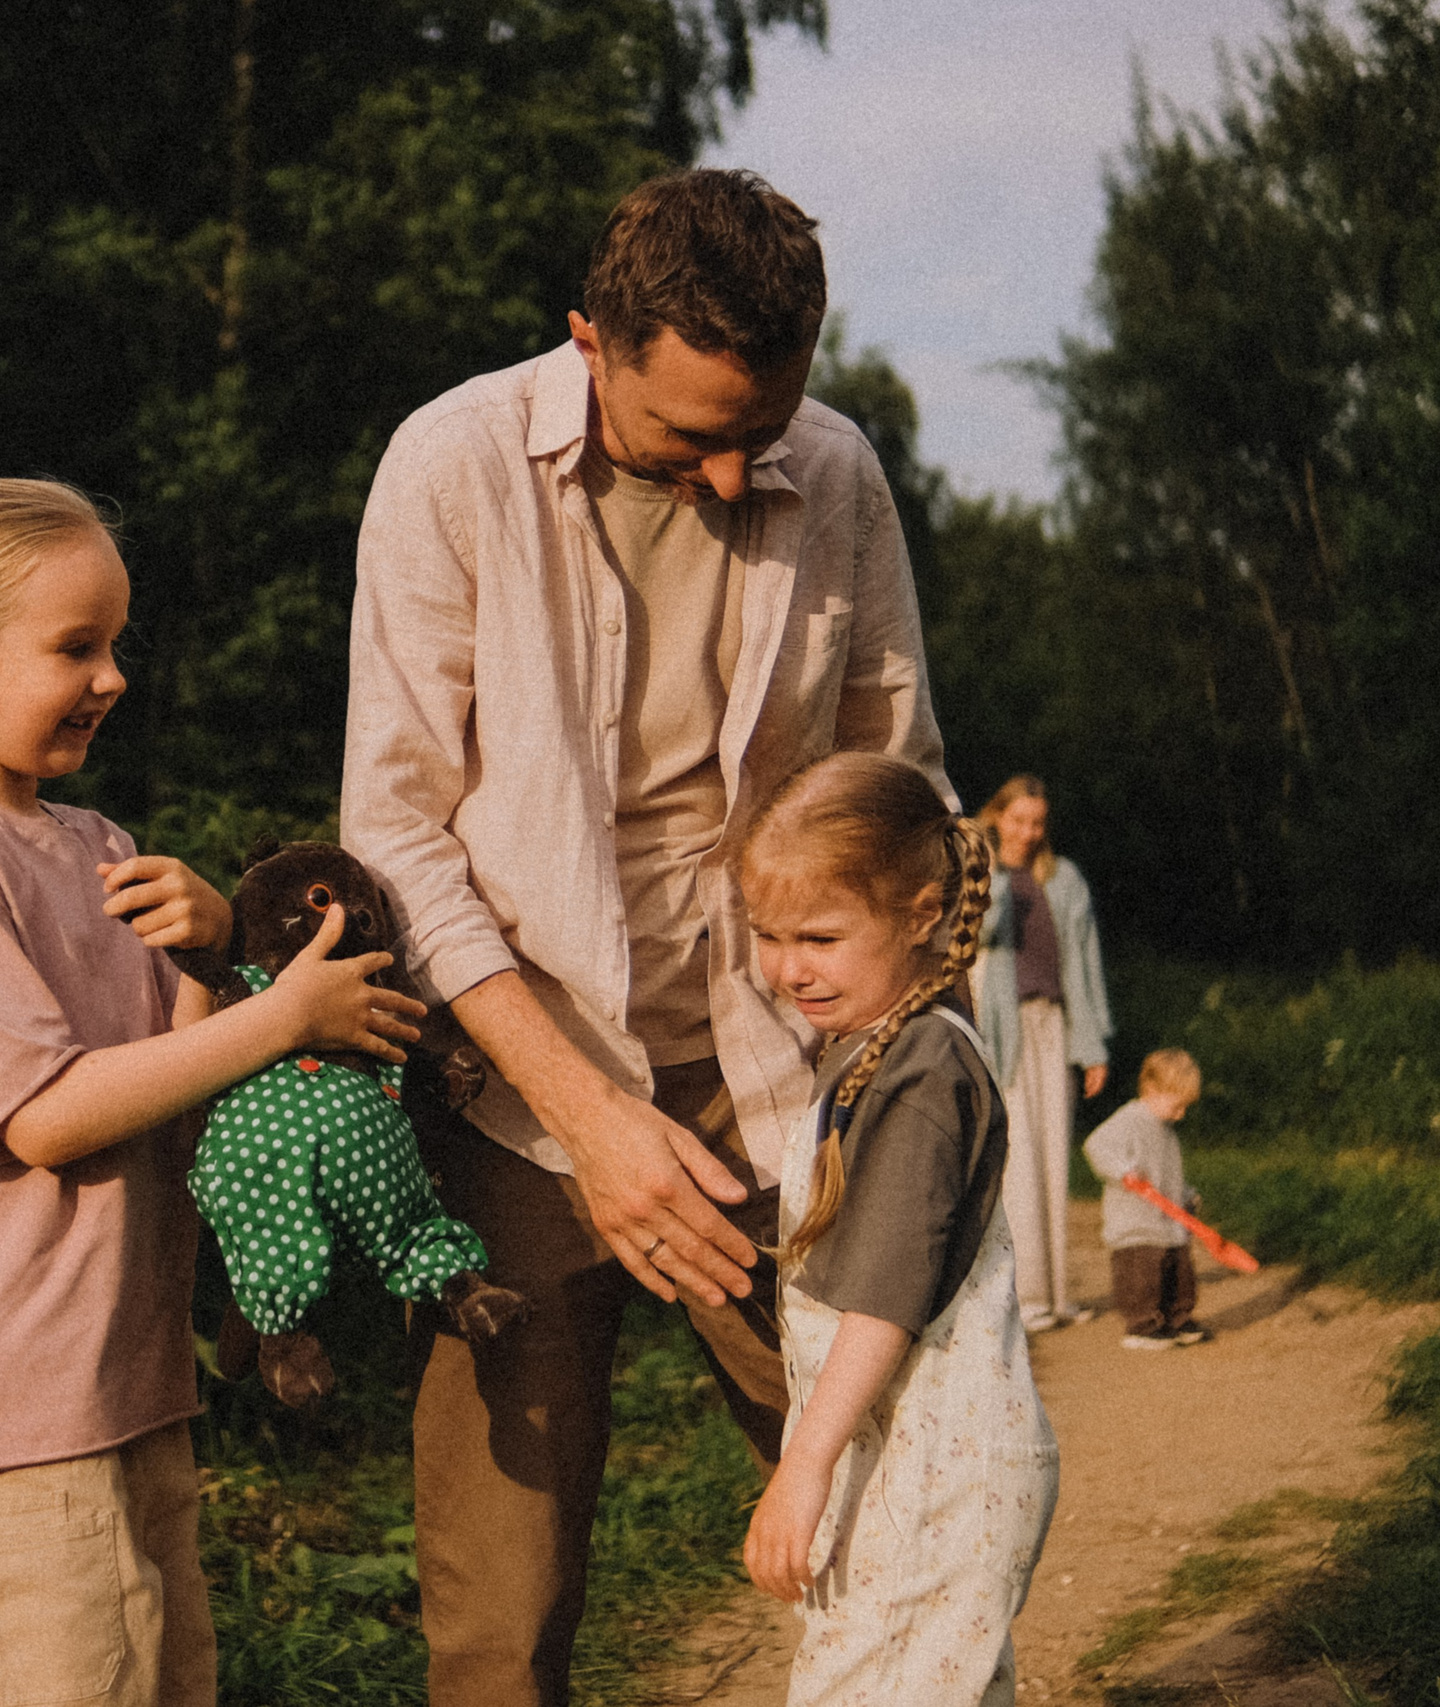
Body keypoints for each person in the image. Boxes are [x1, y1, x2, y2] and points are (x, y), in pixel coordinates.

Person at [343, 167, 953, 1704]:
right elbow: (395, 832)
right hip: (520, 1086)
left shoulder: (841, 472)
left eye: (769, 428)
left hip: (780, 1078)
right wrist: (587, 1116)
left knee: (890, 1509)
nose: (743, 477)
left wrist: (913, 1071)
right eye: (693, 437)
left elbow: (906, 794)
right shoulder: (450, 464)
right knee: (502, 1606)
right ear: (589, 343)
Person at [0, 477, 425, 1707]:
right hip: (10, 1407)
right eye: (75, 647)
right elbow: (48, 1114)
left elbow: (178, 1086)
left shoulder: (99, 846)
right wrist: (282, 1014)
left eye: (115, 644)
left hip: (121, 1378)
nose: (111, 677)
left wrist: (221, 954)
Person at [737, 751, 1059, 1706]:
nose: (789, 966)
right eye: (769, 935)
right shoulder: (875, 1044)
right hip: (904, 1468)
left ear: (920, 914)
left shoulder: (922, 1074)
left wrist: (801, 1467)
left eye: (821, 936)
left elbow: (883, 1299)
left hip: (936, 1481)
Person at [973, 775, 1114, 1331]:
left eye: (1037, 822)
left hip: (1052, 1023)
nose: (1029, 832)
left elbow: (1085, 963)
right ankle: (1025, 1299)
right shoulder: (979, 870)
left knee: (1054, 1155)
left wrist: (1093, 1045)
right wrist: (991, 871)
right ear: (999, 816)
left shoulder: (1064, 878)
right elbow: (981, 935)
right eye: (1018, 820)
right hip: (1001, 1027)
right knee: (1019, 1159)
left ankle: (1058, 1298)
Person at [1082, 1048, 1210, 1350]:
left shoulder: (1165, 1131)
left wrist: (1186, 1194)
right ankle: (1142, 1325)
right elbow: (1096, 1145)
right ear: (1152, 1090)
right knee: (1143, 1276)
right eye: (1177, 1106)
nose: (1181, 1114)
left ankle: (1177, 1318)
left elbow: (1168, 1173)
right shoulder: (1130, 1120)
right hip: (1135, 1223)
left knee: (1179, 1274)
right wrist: (1124, 1170)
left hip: (1168, 1221)